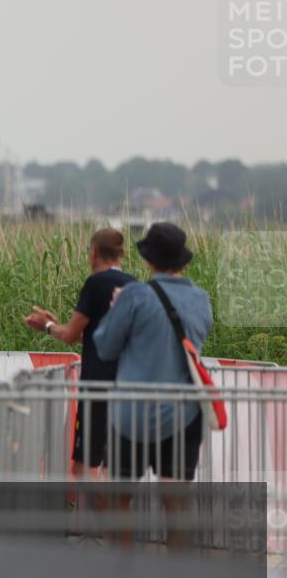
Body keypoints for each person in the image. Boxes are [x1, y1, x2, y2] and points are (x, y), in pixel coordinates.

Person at [94, 223, 212, 546]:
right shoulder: (201, 299)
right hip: (184, 414)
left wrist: (117, 308)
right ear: (182, 261)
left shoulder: (135, 296)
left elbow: (105, 346)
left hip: (132, 414)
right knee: (176, 504)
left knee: (120, 500)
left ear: (149, 260)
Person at [24, 228, 136, 475]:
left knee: (83, 466)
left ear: (94, 252)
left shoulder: (96, 284)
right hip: (129, 384)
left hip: (98, 384)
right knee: (114, 464)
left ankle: (100, 513)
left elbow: (70, 335)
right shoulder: (135, 285)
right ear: (122, 254)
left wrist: (47, 325)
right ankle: (113, 510)